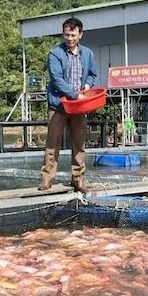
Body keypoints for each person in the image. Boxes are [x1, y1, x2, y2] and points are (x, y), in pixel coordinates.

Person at [39, 17, 98, 192]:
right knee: (52, 143)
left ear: (80, 34)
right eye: (66, 35)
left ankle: (78, 179)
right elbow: (56, 80)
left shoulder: (87, 54)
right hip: (59, 104)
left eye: (73, 35)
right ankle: (47, 178)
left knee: (79, 143)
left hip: (79, 107)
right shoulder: (55, 53)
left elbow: (92, 74)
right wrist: (75, 95)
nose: (69, 38)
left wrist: (87, 86)